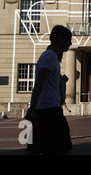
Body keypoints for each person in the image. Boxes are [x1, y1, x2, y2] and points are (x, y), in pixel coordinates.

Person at [25, 25, 73, 155]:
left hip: (45, 109)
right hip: (49, 110)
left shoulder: (49, 57)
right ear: (60, 40)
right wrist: (32, 108)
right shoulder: (50, 56)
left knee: (41, 149)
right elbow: (39, 83)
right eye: (68, 39)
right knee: (64, 147)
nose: (71, 43)